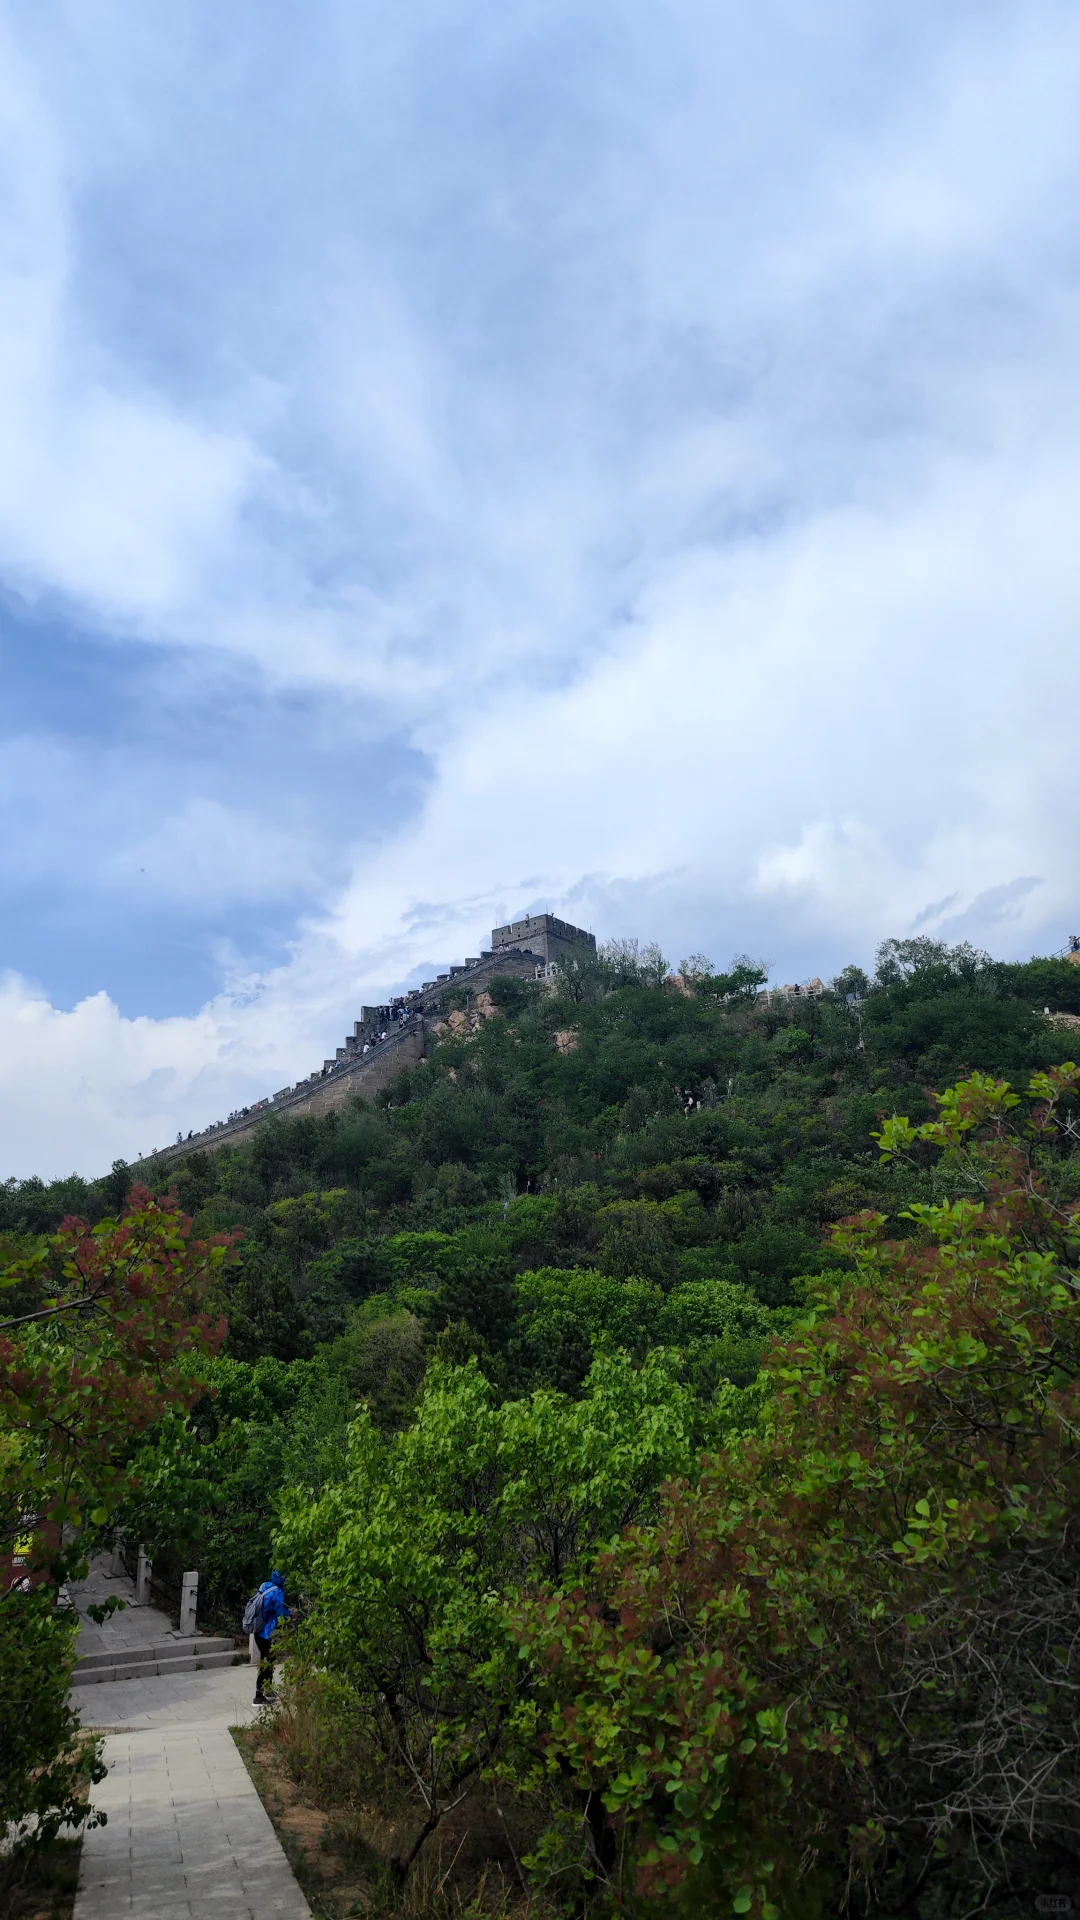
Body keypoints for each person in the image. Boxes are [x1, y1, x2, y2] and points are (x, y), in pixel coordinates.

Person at [252, 1569, 291, 1704]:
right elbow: (280, 1611)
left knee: (268, 1660)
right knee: (267, 1662)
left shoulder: (265, 1586)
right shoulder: (278, 1593)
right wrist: (291, 1614)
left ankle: (268, 1690)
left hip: (257, 1630)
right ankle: (258, 1696)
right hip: (267, 1633)